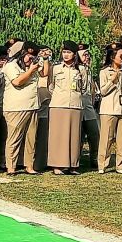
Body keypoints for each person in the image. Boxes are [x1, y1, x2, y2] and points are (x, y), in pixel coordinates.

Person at [2, 41, 47, 175]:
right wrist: (31, 70)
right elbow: (17, 82)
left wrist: (44, 59)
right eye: (27, 56)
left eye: (33, 57)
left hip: (32, 106)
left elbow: (45, 73)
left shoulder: (32, 66)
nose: (30, 59)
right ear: (22, 54)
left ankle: (29, 166)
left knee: (31, 139)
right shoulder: (11, 65)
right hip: (15, 108)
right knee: (14, 139)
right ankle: (11, 167)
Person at [46, 41, 85, 175]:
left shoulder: (81, 69)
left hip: (75, 104)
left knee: (74, 136)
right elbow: (50, 86)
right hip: (58, 104)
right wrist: (59, 95)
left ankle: (72, 165)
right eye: (64, 52)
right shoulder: (56, 68)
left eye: (69, 52)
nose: (66, 55)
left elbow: (84, 87)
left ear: (74, 54)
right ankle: (57, 165)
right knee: (58, 136)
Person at [97, 43, 122, 173]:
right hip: (109, 109)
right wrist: (112, 80)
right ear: (112, 57)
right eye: (120, 55)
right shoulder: (104, 71)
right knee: (106, 138)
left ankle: (121, 165)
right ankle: (102, 165)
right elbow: (103, 91)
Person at [78, 44, 99, 161]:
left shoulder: (88, 69)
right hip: (79, 105)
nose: (87, 57)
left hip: (88, 105)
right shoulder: (78, 69)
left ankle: (94, 157)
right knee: (78, 135)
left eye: (88, 54)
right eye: (84, 55)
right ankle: (77, 158)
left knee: (94, 132)